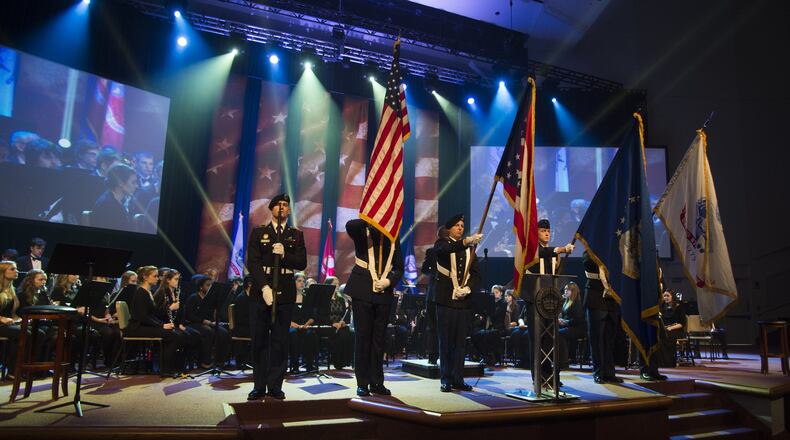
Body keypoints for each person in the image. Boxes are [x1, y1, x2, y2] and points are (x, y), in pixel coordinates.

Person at [246, 193, 306, 400]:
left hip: (286, 289)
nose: (282, 208)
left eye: (285, 205)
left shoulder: (296, 234)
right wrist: (263, 287)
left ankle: (275, 386)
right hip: (262, 291)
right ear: (271, 209)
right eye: (278, 205)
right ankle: (259, 385)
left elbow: (301, 263)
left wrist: (285, 255)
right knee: (260, 339)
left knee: (280, 340)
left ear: (288, 210)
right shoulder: (259, 232)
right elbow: (252, 262)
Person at [344, 218, 404, 396]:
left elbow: (399, 267)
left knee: (379, 340)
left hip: (383, 292)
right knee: (363, 339)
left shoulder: (392, 236)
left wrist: (389, 281)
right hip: (362, 289)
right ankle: (362, 382)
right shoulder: (363, 231)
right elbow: (350, 226)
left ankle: (377, 382)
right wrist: (369, 219)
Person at [520, 219, 573, 384]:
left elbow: (558, 276)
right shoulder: (531, 250)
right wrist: (560, 249)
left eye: (549, 231)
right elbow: (541, 253)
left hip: (549, 301)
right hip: (534, 301)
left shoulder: (553, 255)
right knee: (536, 340)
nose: (547, 234)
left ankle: (552, 376)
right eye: (543, 231)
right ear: (537, 233)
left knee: (550, 341)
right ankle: (538, 377)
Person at [434, 214, 481, 392]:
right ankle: (445, 378)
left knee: (460, 343)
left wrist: (468, 288)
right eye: (457, 226)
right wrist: (466, 241)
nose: (460, 228)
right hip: (445, 300)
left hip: (463, 302)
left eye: (462, 225)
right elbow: (445, 251)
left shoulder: (470, 250)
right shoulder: (442, 244)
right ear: (449, 229)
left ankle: (458, 378)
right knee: (445, 341)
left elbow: (477, 275)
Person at [125, 266, 185, 376]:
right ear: (145, 277)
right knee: (172, 335)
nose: (157, 278)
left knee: (173, 332)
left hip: (142, 326)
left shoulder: (147, 292)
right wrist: (162, 325)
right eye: (155, 276)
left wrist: (165, 324)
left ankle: (168, 367)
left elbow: (151, 314)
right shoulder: (141, 292)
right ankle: (166, 369)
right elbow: (143, 317)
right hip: (136, 328)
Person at [583, 251, 622, 384]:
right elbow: (587, 264)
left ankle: (610, 373)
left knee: (610, 339)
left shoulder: (614, 251)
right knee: (597, 339)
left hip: (612, 300)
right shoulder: (591, 250)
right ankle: (598, 372)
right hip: (596, 297)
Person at [184, 275, 230, 369]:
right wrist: (203, 321)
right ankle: (204, 361)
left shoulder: (210, 299)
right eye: (207, 285)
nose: (209, 287)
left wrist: (212, 321)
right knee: (208, 332)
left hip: (208, 323)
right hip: (194, 323)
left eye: (211, 285)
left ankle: (220, 361)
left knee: (224, 332)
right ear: (201, 287)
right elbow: (189, 316)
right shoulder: (193, 298)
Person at [420, 226, 446, 365]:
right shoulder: (434, 252)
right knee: (436, 327)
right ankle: (436, 355)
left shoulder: (435, 251)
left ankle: (436, 355)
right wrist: (436, 274)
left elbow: (424, 269)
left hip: (438, 294)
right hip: (438, 294)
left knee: (435, 327)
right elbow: (425, 269)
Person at [92, 164, 138, 230]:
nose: (136, 186)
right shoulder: (107, 205)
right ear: (120, 183)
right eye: (133, 182)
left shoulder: (119, 201)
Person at [288, 273, 317, 373]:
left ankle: (309, 364)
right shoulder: (289, 298)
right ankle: (295, 366)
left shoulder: (307, 298)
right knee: (293, 334)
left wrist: (307, 324)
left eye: (303, 281)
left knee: (311, 334)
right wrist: (292, 323)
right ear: (293, 282)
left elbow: (312, 316)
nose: (302, 283)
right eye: (299, 281)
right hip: (291, 325)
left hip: (305, 326)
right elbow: (284, 315)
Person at [558, 282, 587, 368]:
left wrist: (566, 322)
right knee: (556, 332)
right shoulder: (566, 301)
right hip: (569, 327)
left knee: (559, 334)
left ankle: (565, 359)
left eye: (568, 289)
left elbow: (578, 320)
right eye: (565, 289)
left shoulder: (576, 303)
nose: (565, 291)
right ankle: (560, 357)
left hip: (578, 328)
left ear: (573, 291)